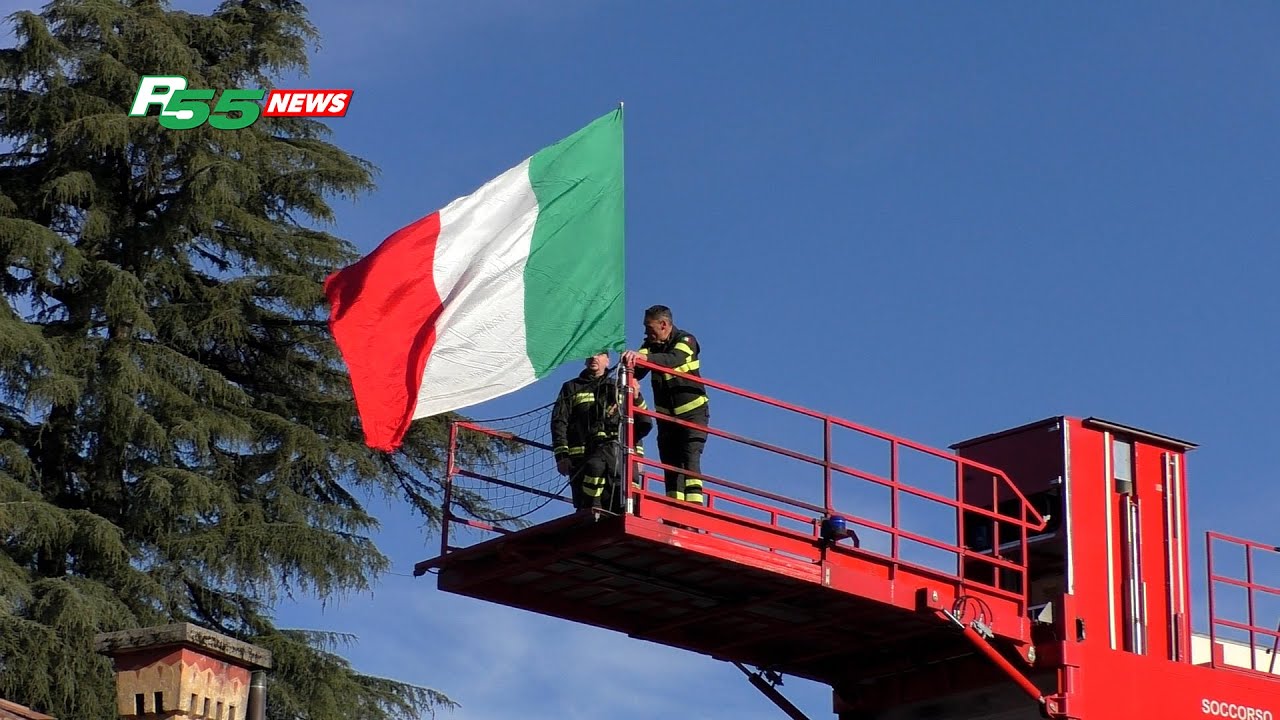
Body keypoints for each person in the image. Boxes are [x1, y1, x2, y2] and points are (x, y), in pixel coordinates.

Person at [621, 305, 709, 505]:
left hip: (693, 414)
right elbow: (638, 367)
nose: (646, 332)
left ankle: (693, 510)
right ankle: (674, 509)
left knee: (690, 459)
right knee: (670, 465)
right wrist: (629, 367)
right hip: (667, 418)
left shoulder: (686, 340)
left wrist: (644, 357)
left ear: (663, 325)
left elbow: (673, 359)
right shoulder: (650, 344)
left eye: (649, 327)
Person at [550, 350, 653, 511]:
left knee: (622, 503)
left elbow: (633, 423)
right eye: (590, 354)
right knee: (587, 505)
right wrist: (562, 456)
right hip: (580, 458)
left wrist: (637, 455)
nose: (594, 357)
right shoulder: (571, 387)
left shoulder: (618, 387)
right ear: (585, 360)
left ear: (608, 361)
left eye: (599, 354)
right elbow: (559, 423)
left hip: (616, 457)